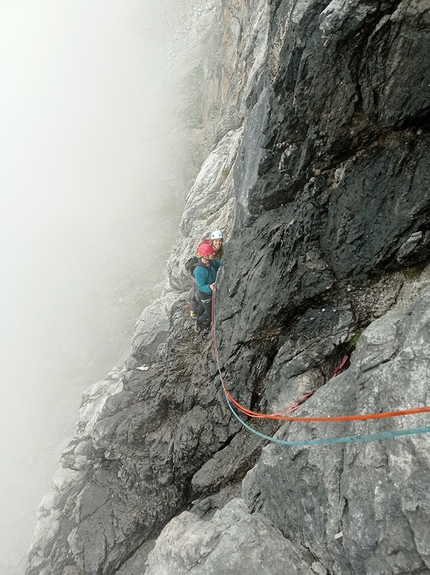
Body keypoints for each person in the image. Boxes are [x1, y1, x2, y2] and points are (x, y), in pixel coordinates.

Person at [193, 242, 222, 329]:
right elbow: (201, 286)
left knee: (203, 305)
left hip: (210, 289)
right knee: (210, 315)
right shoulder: (198, 271)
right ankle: (198, 321)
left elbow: (220, 264)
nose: (213, 253)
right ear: (205, 256)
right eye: (211, 253)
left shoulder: (212, 261)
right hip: (206, 294)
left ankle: (198, 315)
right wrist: (209, 287)